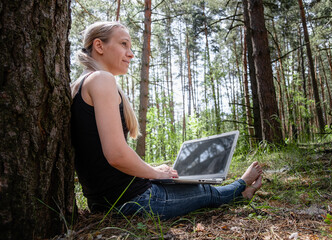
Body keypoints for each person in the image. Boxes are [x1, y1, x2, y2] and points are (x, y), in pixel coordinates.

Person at [71, 21, 263, 220]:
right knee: (205, 191)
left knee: (182, 182)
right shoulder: (101, 79)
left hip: (103, 202)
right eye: (123, 44)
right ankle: (241, 186)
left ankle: (240, 195)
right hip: (133, 201)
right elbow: (116, 155)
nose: (131, 54)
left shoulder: (79, 86)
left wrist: (152, 171)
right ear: (99, 46)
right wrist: (156, 174)